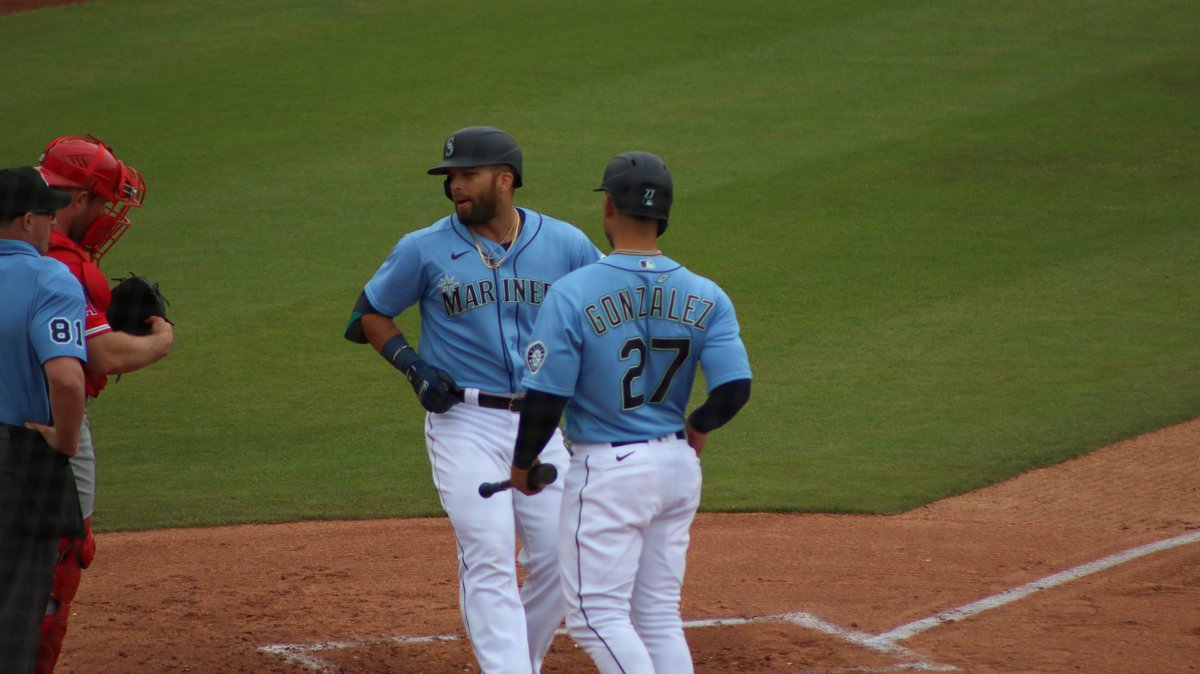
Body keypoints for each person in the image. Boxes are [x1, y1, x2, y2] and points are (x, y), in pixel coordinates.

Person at [344, 126, 603, 673]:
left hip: (540, 423)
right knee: (488, 553)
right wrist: (412, 367)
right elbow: (369, 313)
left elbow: (602, 314)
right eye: (451, 177)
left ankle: (519, 662)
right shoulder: (424, 247)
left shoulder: (566, 244)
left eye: (468, 175)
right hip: (464, 422)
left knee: (560, 561)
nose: (455, 186)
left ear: (505, 180)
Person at [508, 151, 752, 673]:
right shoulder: (707, 294)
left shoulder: (573, 292)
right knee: (658, 615)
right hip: (678, 467)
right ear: (664, 215)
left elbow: (546, 397)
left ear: (609, 209)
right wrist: (698, 425)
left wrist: (523, 463)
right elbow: (734, 389)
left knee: (595, 615)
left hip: (610, 472)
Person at [34, 135, 174, 673]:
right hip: (44, 417)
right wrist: (161, 339)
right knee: (61, 556)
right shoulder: (60, 265)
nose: (108, 216)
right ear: (77, 199)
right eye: (102, 202)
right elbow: (101, 354)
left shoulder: (20, 241)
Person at [0, 166, 87, 674]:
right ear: (27, 219)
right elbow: (68, 380)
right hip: (16, 462)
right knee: (13, 612)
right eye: (47, 217)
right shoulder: (48, 276)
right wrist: (65, 441)